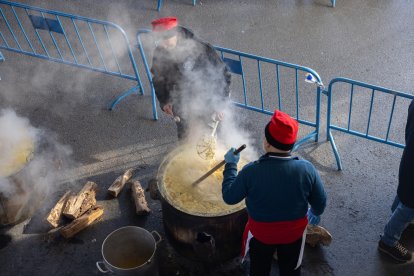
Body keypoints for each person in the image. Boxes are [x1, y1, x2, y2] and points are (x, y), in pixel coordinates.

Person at [221, 110, 327, 276]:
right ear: (292, 145)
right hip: (294, 235)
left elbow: (229, 197)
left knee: (259, 268)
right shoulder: (307, 169)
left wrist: (231, 166)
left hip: (261, 235)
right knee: (291, 269)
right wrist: (315, 212)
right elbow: (320, 200)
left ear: (267, 144)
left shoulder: (251, 172)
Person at [150, 17, 231, 140]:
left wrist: (220, 102)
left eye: (166, 41)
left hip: (208, 102)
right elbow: (158, 78)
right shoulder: (160, 52)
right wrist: (165, 101)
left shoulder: (201, 48)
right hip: (181, 105)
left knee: (207, 141)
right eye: (160, 41)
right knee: (185, 137)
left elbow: (223, 74)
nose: (163, 46)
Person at [378, 99, 414, 263]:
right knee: (409, 205)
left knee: (404, 194)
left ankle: (396, 214)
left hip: (409, 159)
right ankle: (388, 241)